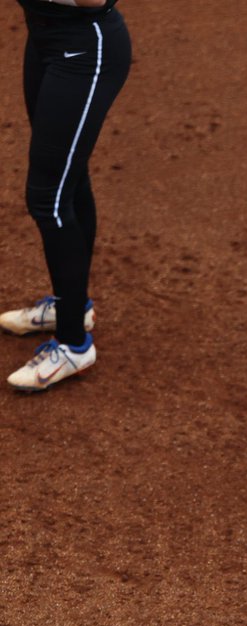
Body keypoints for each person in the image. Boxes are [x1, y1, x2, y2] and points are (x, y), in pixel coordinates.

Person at [2, 0, 130, 391]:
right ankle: (72, 307)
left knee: (48, 200)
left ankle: (74, 345)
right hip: (44, 39)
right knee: (68, 178)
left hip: (85, 48)